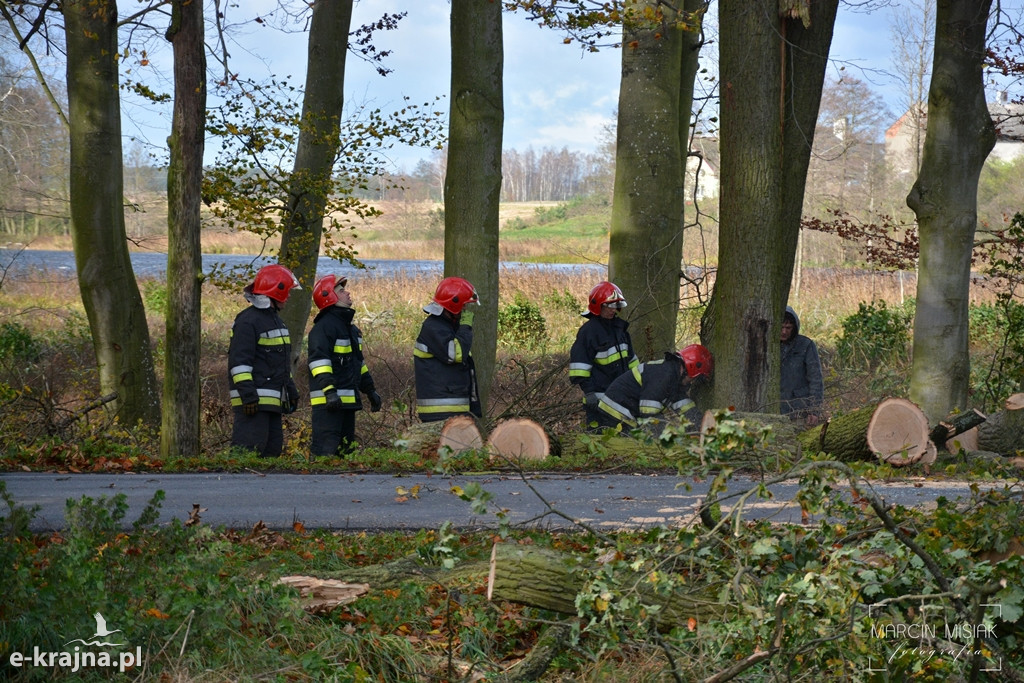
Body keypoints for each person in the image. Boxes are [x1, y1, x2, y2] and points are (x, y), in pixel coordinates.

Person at [228, 264, 302, 457]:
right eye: (287, 290)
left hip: (272, 403)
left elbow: (281, 364)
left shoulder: (276, 321)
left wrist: (291, 390)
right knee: (245, 455)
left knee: (271, 453)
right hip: (252, 404)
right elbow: (239, 363)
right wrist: (248, 395)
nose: (289, 295)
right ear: (277, 291)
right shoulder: (248, 321)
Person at [307, 274, 382, 457]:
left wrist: (370, 390)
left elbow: (359, 364)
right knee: (325, 453)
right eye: (341, 291)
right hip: (328, 404)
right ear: (329, 296)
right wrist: (330, 392)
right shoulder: (323, 328)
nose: (347, 293)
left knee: (346, 453)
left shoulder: (350, 329)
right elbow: (318, 362)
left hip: (347, 403)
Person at [596, 344, 713, 433]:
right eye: (694, 378)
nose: (692, 382)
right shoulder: (663, 375)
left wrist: (703, 425)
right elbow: (649, 415)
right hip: (616, 413)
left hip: (627, 413)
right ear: (691, 368)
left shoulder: (674, 378)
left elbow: (686, 408)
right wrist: (668, 432)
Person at [569, 281, 639, 428]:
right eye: (609, 305)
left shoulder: (620, 330)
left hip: (622, 398)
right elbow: (579, 366)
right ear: (598, 306)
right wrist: (589, 393)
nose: (613, 310)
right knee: (598, 439)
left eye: (615, 305)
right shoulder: (588, 332)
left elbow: (632, 361)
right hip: (599, 400)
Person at [414, 276, 481, 422]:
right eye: (463, 305)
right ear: (453, 306)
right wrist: (465, 327)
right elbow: (455, 355)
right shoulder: (434, 327)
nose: (465, 309)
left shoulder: (447, 326)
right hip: (441, 409)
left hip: (454, 406)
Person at [780, 306, 825, 426]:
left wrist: (814, 411)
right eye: (781, 327)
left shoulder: (805, 345)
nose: (784, 332)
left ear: (794, 328)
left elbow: (815, 379)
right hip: (774, 409)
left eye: (788, 328)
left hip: (799, 410)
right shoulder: (766, 344)